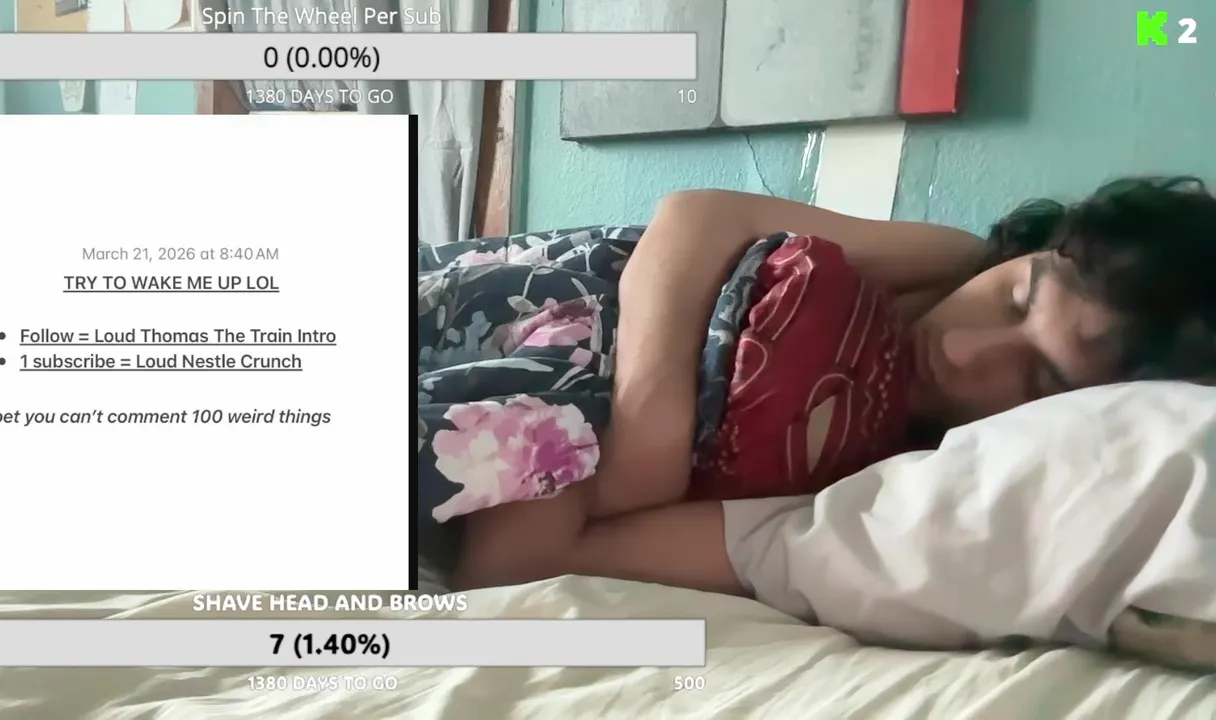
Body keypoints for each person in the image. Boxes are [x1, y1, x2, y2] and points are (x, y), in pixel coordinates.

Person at [453, 175, 1216, 593]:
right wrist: (650, 415)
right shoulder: (947, 262)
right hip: (557, 304)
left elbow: (529, 566)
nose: (959, 349)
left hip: (555, 428)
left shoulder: (915, 484)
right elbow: (700, 217)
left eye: (1035, 376)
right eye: (1015, 298)